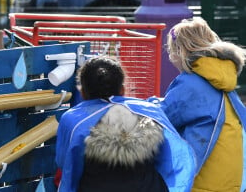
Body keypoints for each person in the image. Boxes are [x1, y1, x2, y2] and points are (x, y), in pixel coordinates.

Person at [55, 56, 196, 192]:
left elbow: (65, 163)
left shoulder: (72, 119)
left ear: (83, 93)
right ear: (122, 89)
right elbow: (169, 158)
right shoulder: (150, 111)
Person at [160, 17, 246, 192]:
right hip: (231, 180)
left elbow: (163, 119)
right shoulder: (224, 81)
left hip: (202, 181)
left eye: (170, 50)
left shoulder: (190, 83)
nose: (170, 57)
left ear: (180, 51)